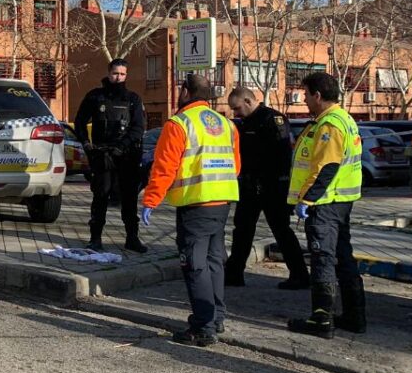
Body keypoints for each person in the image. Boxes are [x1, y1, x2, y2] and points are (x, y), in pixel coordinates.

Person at [141, 73, 240, 347]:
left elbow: (164, 167)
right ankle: (217, 317)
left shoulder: (179, 123)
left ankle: (203, 326)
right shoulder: (226, 124)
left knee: (195, 266)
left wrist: (151, 200)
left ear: (185, 92)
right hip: (222, 201)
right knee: (214, 261)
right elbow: (237, 164)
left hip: (195, 205)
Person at [287, 72, 366, 338]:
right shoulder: (343, 119)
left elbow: (326, 167)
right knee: (343, 258)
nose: (305, 100)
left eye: (306, 95)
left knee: (323, 259)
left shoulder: (329, 125)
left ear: (317, 95)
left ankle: (321, 320)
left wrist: (307, 200)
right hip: (340, 202)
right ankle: (355, 316)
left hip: (325, 204)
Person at [225, 87, 309, 289]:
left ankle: (300, 275)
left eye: (236, 108)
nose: (235, 113)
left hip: (272, 188)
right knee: (242, 231)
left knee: (281, 231)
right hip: (250, 186)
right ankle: (234, 274)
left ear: (248, 101)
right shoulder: (245, 122)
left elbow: (282, 157)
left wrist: (281, 188)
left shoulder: (273, 120)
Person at [74, 58, 147, 252]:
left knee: (129, 199)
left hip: (126, 157)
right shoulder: (95, 97)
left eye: (122, 74)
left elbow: (138, 128)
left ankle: (132, 238)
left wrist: (122, 146)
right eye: (115, 73)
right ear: (109, 73)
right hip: (102, 156)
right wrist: (86, 143)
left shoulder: (133, 99)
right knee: (100, 197)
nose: (119, 77)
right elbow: (80, 121)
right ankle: (95, 239)